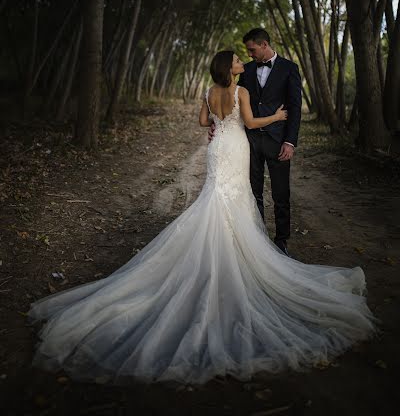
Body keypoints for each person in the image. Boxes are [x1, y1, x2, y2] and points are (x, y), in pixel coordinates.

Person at [28, 50, 376, 386]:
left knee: (215, 197)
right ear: (230, 68)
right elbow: (252, 122)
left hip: (216, 149)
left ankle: (222, 251)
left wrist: (216, 123)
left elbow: (201, 121)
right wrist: (278, 118)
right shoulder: (240, 91)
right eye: (237, 60)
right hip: (236, 147)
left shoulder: (210, 92)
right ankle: (235, 255)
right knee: (235, 199)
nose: (242, 63)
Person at [238, 28, 302, 257]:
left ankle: (282, 241)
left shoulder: (289, 68)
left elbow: (295, 108)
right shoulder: (245, 70)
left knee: (280, 194)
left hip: (278, 141)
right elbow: (238, 103)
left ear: (264, 44)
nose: (250, 54)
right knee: (253, 192)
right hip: (251, 140)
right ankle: (258, 238)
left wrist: (290, 142)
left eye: (252, 49)